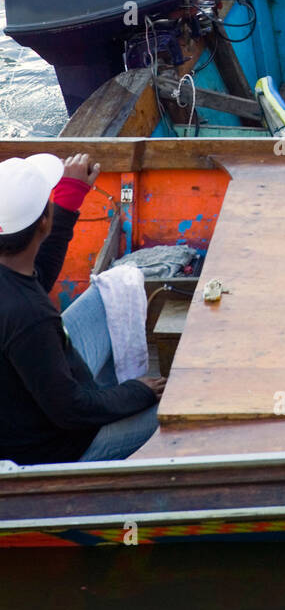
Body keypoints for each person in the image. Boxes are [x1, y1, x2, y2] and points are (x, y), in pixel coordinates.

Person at [0, 152, 163, 467]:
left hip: (40, 389)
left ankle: (108, 394)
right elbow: (71, 410)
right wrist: (137, 392)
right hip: (56, 446)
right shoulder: (31, 316)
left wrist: (70, 197)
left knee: (117, 284)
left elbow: (39, 275)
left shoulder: (16, 282)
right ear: (43, 223)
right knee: (179, 409)